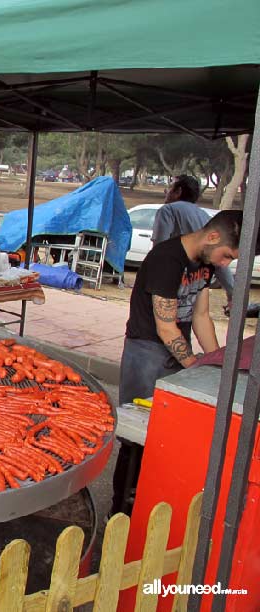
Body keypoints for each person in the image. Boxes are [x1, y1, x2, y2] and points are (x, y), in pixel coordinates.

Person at [113, 210, 243, 514]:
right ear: (212, 237)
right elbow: (166, 327)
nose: (225, 264)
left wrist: (215, 362)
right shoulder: (166, 260)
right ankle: (121, 510)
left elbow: (200, 316)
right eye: (226, 256)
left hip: (176, 353)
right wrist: (196, 367)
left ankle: (151, 505)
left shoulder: (204, 263)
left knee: (166, 437)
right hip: (145, 352)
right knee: (136, 439)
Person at [151, 174, 235, 308]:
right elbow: (219, 263)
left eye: (170, 188)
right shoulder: (205, 217)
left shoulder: (168, 210)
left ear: (178, 192)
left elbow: (159, 249)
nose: (166, 192)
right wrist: (232, 294)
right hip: (194, 286)